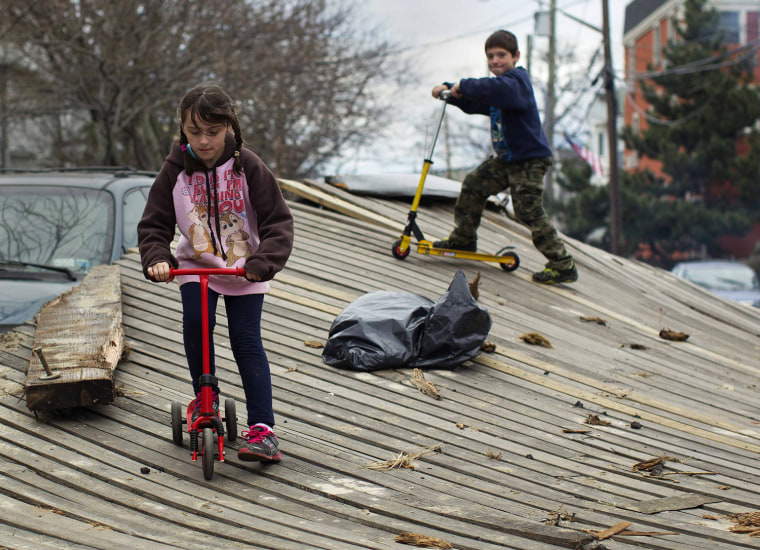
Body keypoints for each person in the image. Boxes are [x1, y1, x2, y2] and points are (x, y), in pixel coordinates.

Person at [138, 83, 294, 463]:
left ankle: (262, 428)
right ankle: (204, 399)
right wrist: (157, 257)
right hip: (195, 265)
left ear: (229, 128)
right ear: (182, 130)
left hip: (246, 270)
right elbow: (154, 224)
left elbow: (278, 223)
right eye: (194, 132)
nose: (204, 141)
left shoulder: (249, 167)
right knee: (196, 323)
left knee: (245, 340)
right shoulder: (174, 170)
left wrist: (262, 263)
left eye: (212, 131)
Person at [431, 30, 577, 284]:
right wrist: (451, 93)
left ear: (516, 56)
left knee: (527, 210)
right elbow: (476, 102)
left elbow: (492, 88)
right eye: (490, 56)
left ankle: (562, 263)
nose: (495, 61)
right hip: (508, 160)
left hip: (530, 160)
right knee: (474, 184)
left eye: (501, 55)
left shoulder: (516, 82)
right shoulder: (497, 91)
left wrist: (463, 84)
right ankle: (464, 239)